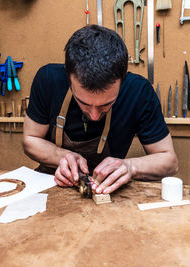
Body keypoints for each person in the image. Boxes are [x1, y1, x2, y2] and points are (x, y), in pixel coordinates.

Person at [23, 25, 178, 194]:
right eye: (83, 103)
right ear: (68, 78)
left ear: (122, 79)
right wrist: (60, 157)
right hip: (51, 185)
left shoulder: (139, 92)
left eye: (105, 104)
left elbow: (169, 161)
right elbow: (30, 139)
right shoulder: (48, 80)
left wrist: (131, 166)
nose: (95, 116)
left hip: (108, 191)